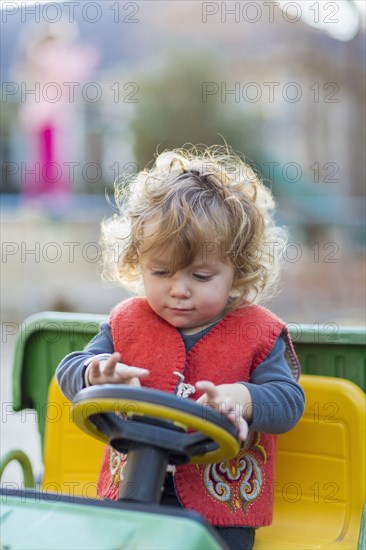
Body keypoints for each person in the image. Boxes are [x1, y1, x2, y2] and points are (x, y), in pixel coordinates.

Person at [57, 145, 305, 550]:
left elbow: (289, 401)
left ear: (238, 274)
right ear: (138, 263)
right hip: (129, 494)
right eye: (160, 272)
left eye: (202, 275)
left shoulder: (259, 333)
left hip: (221, 511)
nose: (179, 290)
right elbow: (70, 368)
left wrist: (241, 397)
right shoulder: (126, 322)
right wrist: (92, 372)